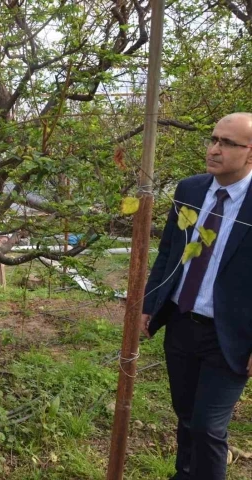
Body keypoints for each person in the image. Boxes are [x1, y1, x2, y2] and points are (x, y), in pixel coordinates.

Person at [142, 112, 252, 480]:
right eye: (213, 139)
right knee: (187, 414)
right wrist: (149, 304)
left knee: (208, 425)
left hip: (231, 334)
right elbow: (169, 252)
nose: (215, 149)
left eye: (227, 143)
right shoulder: (189, 190)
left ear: (250, 153)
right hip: (181, 321)